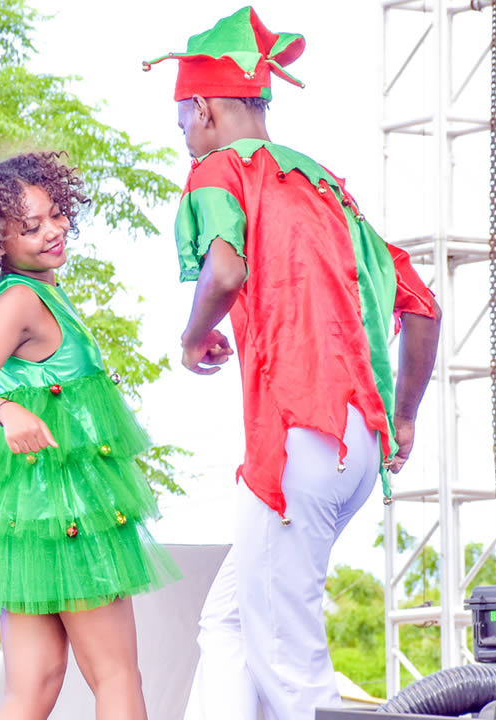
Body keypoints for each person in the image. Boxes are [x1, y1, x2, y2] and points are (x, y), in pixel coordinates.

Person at [143, 7, 442, 720]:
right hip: (357, 449)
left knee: (289, 659)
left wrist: (192, 339)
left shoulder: (220, 169)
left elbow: (223, 269)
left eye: (180, 118)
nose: (182, 135)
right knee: (230, 622)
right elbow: (422, 305)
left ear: (205, 108)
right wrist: (402, 416)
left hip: (298, 440)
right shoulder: (331, 191)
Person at [0, 152, 181, 720]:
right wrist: (7, 411)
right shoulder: (17, 299)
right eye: (30, 227)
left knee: (31, 689)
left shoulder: (30, 293)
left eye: (56, 214)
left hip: (28, 519)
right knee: (115, 677)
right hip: (69, 512)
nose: (53, 230)